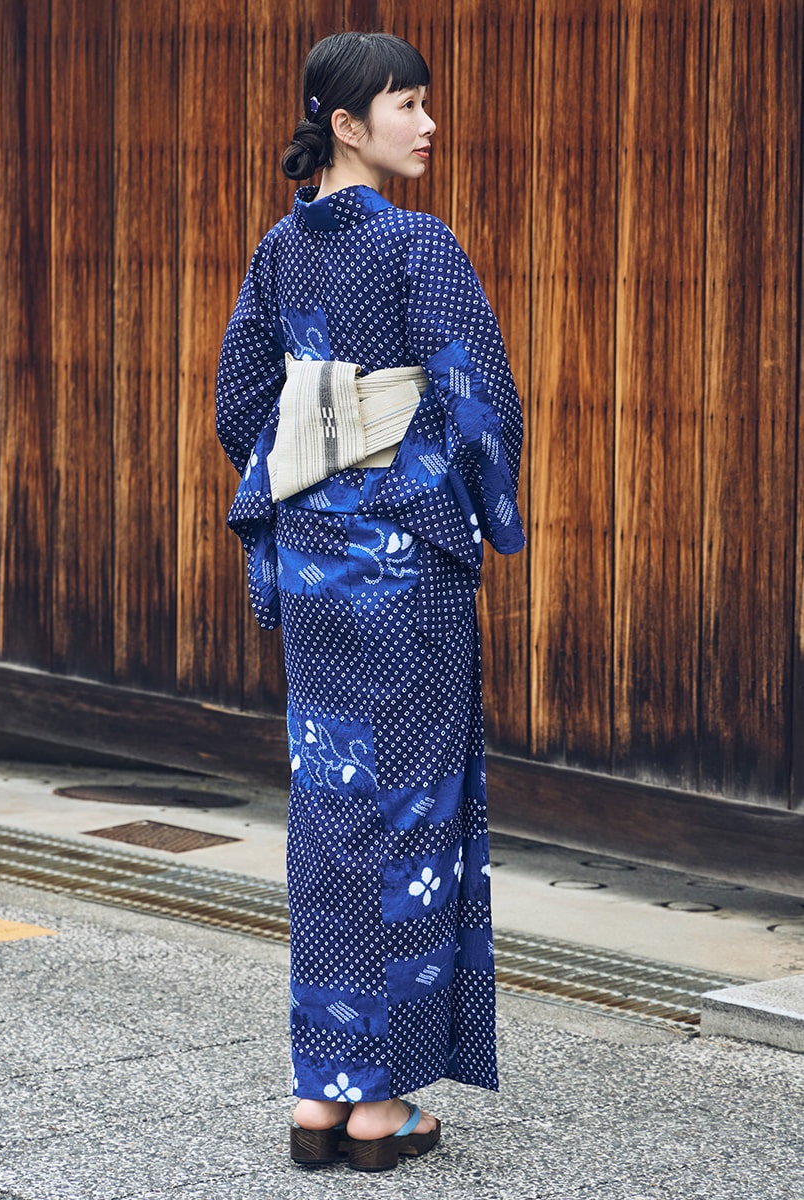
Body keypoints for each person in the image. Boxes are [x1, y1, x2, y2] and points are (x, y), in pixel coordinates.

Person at [215, 31, 525, 1172]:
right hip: (404, 571)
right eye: (407, 104)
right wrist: (482, 512)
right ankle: (380, 1105)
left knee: (332, 813)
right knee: (411, 813)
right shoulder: (416, 244)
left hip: (314, 563)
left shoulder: (281, 246)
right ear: (346, 124)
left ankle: (323, 1092)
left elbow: (239, 398)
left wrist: (313, 469)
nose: (427, 124)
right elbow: (478, 401)